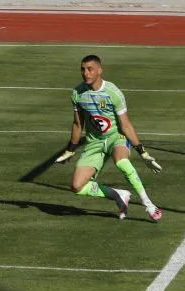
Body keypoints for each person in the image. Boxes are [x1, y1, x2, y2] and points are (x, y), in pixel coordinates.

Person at [54, 55, 163, 221]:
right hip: (94, 142)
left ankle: (148, 204)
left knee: (122, 162)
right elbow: (77, 124)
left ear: (99, 70)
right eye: (83, 69)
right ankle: (118, 194)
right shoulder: (77, 93)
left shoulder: (113, 93)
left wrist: (143, 152)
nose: (85, 73)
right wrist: (70, 149)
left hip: (116, 137)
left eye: (90, 69)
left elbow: (125, 125)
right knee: (77, 186)